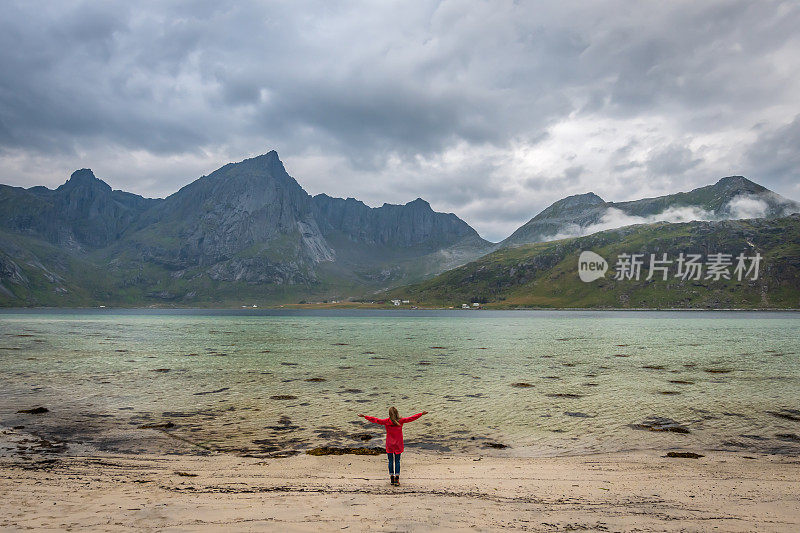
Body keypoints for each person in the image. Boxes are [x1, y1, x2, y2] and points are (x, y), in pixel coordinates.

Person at [357, 407, 428, 485]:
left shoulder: (386, 421)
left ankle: (391, 478)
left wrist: (364, 416)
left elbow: (375, 420)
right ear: (397, 413)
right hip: (398, 444)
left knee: (390, 461)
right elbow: (411, 418)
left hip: (389, 444)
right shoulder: (401, 421)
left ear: (389, 414)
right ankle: (397, 479)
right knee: (397, 461)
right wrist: (421, 414)